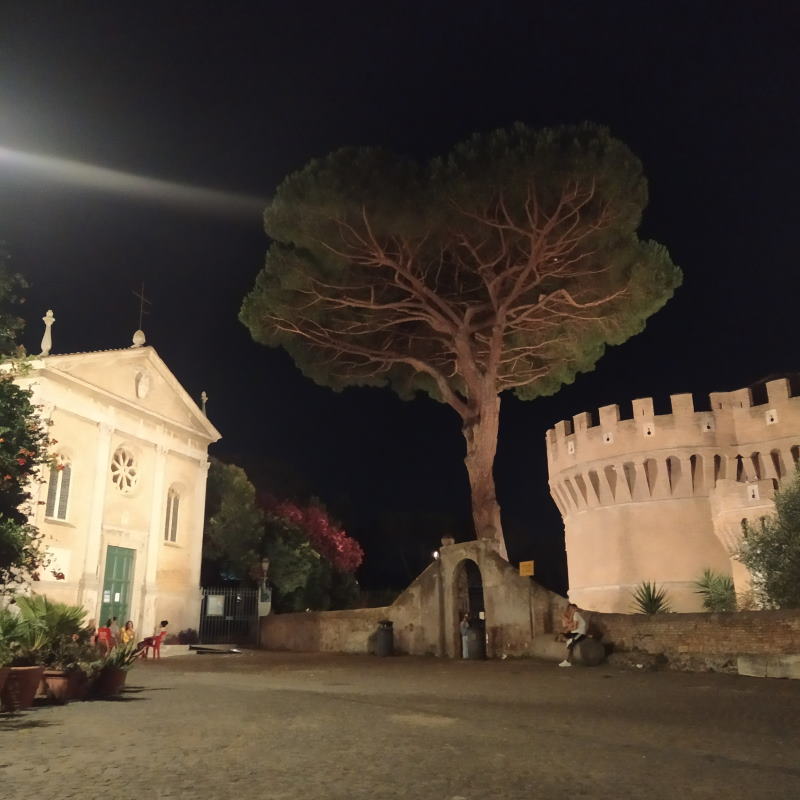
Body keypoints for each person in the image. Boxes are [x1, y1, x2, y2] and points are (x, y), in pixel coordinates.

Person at [559, 603, 589, 667]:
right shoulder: (574, 615)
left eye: (572, 608)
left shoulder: (576, 615)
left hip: (580, 633)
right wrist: (568, 629)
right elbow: (570, 625)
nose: (570, 610)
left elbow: (575, 627)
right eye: (569, 608)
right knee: (568, 641)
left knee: (571, 643)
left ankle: (567, 661)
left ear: (575, 609)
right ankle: (568, 662)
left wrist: (568, 629)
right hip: (575, 632)